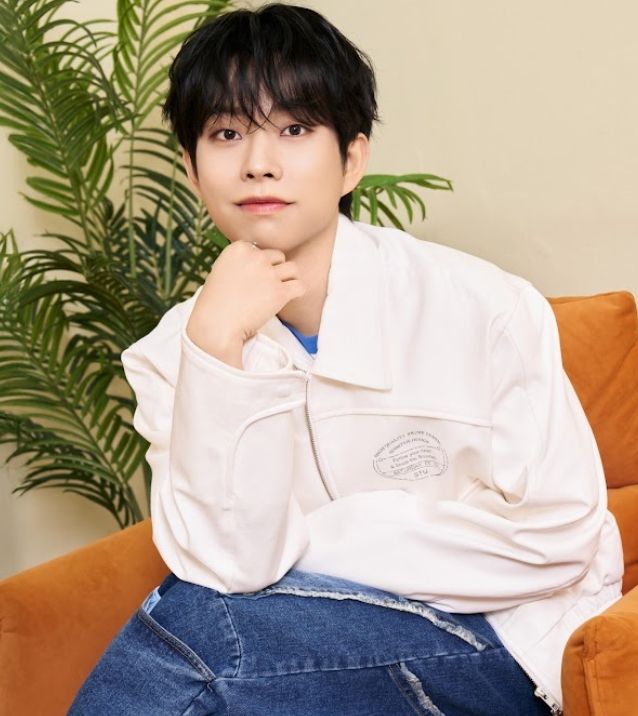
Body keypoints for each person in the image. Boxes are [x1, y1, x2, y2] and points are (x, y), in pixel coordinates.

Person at [68, 3, 624, 714]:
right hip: (293, 653)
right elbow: (227, 564)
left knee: (204, 641)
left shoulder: (482, 306)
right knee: (204, 632)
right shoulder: (178, 349)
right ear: (191, 169)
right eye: (227, 133)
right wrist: (217, 351)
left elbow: (561, 537)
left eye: (295, 129)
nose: (259, 163)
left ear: (352, 159)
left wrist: (321, 541)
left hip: (505, 646)